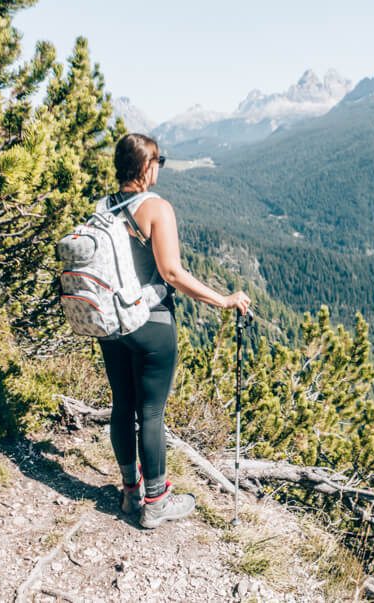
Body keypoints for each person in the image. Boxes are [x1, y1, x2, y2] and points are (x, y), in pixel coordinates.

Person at [98, 133, 251, 529]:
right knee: (151, 412)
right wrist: (223, 300)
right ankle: (156, 503)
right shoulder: (156, 208)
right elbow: (171, 272)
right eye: (158, 161)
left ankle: (131, 492)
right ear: (146, 167)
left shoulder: (101, 207)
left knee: (122, 405)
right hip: (150, 323)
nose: (160, 168)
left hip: (111, 322)